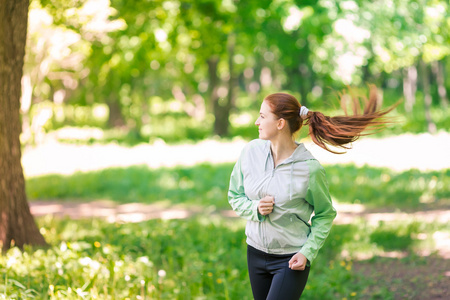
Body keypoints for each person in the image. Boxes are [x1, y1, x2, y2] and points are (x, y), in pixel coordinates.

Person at [228, 88, 396, 299]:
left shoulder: (309, 169)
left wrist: (307, 252)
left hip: (290, 259)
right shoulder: (250, 152)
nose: (256, 122)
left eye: (262, 116)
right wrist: (255, 207)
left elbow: (325, 214)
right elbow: (235, 195)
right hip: (255, 253)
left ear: (280, 123)